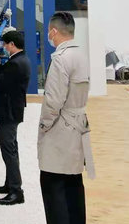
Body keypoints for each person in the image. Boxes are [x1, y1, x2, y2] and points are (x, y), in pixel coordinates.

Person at [38, 12, 95, 224]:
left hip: (60, 129)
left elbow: (53, 101)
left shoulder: (60, 59)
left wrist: (44, 126)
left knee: (53, 183)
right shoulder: (81, 55)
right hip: (78, 125)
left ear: (53, 31)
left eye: (48, 32)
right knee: (73, 183)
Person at [0, 30, 31, 205]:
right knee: (11, 149)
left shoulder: (16, 63)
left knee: (9, 152)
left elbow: (0, 82)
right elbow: (6, 80)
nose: (4, 47)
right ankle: (9, 184)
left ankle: (16, 192)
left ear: (12, 44)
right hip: (12, 111)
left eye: (5, 44)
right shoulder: (20, 60)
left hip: (8, 112)